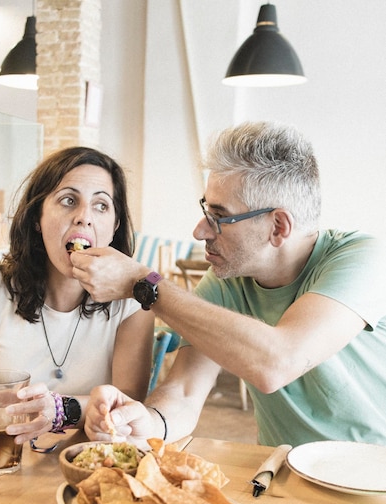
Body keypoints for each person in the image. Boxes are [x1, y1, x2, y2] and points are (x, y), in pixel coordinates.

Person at [70, 121, 386, 449]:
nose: (200, 231)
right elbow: (184, 392)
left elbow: (276, 362)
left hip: (373, 479)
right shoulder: (228, 280)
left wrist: (144, 283)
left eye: (219, 217)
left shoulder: (363, 259)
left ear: (278, 226)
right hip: (283, 474)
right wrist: (144, 423)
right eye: (205, 209)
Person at [0, 146, 154, 446]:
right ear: (36, 218)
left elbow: (127, 402)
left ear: (115, 226)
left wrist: (60, 410)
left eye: (101, 206)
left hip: (86, 461)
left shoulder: (133, 302)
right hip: (2, 458)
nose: (84, 217)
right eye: (69, 200)